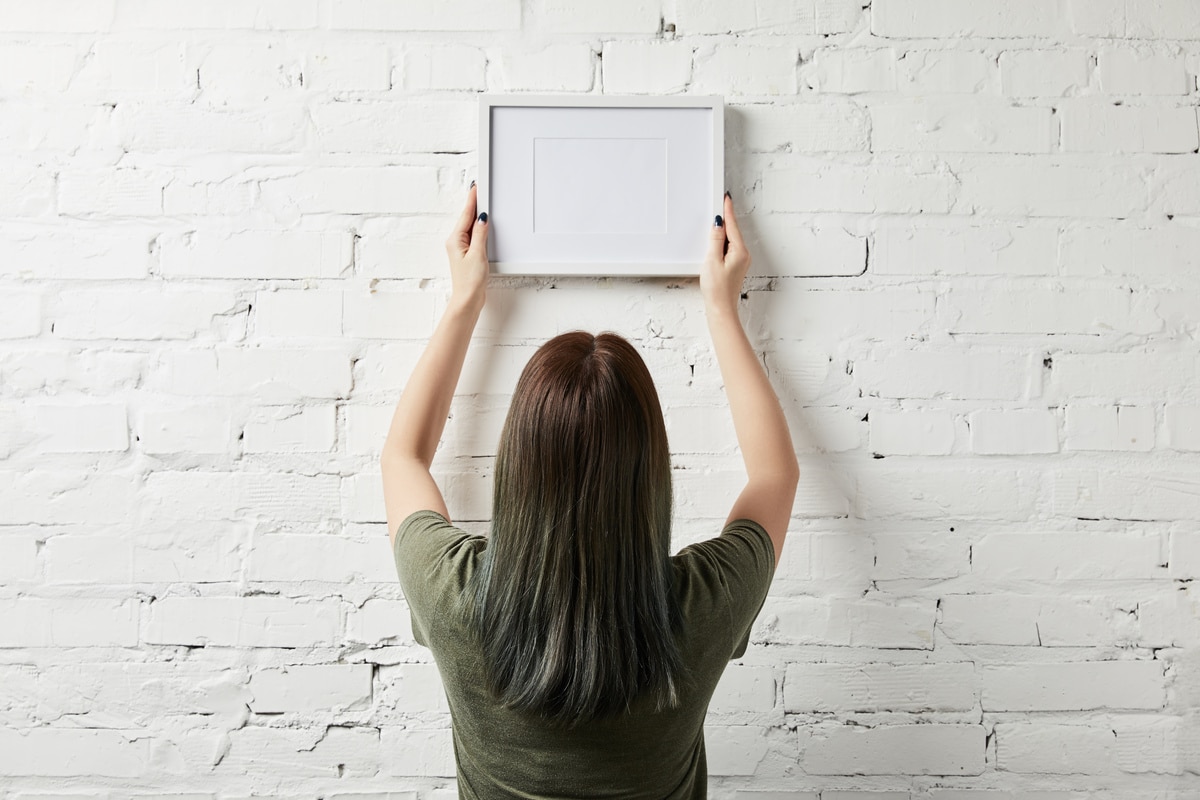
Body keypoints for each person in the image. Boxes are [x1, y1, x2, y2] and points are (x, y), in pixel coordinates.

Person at [380, 183, 799, 799]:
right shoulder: (700, 607)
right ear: (650, 471)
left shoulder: (455, 598)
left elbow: (402, 456)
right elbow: (775, 475)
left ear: (517, 467)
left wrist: (464, 301)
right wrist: (720, 308)